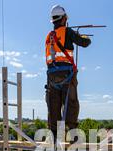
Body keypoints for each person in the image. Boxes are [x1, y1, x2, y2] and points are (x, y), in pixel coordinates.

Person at [45, 5, 91, 140]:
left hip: (52, 76)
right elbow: (85, 42)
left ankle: (54, 134)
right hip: (67, 74)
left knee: (53, 105)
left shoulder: (49, 36)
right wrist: (82, 36)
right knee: (71, 103)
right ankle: (72, 133)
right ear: (64, 18)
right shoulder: (68, 32)